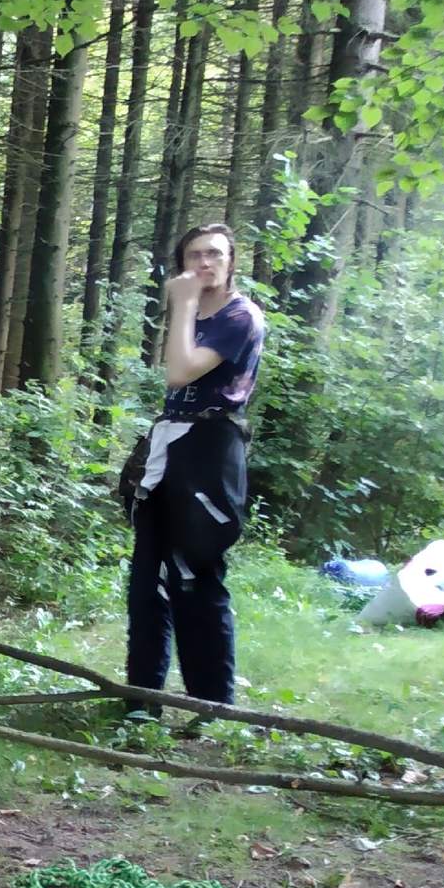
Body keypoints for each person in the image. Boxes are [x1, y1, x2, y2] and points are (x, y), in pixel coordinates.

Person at [124, 222, 267, 711]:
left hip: (210, 449)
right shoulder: (193, 315)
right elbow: (173, 383)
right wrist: (185, 310)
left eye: (214, 255)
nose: (203, 264)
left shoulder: (240, 317)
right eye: (193, 255)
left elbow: (180, 371)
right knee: (147, 581)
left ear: (231, 262)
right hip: (169, 445)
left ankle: (212, 705)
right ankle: (140, 700)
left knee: (195, 576)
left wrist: (180, 305)